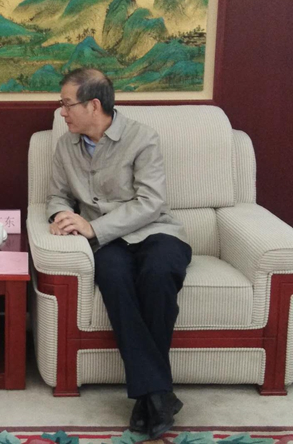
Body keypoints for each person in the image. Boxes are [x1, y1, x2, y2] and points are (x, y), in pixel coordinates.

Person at [47, 68, 192, 439]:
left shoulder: (142, 138)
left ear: (94, 105)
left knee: (159, 276)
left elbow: (151, 201)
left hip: (156, 232)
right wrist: (60, 216)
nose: (62, 112)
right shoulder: (65, 146)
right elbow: (58, 195)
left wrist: (94, 227)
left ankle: (149, 396)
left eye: (67, 104)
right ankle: (158, 395)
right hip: (109, 246)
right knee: (113, 278)